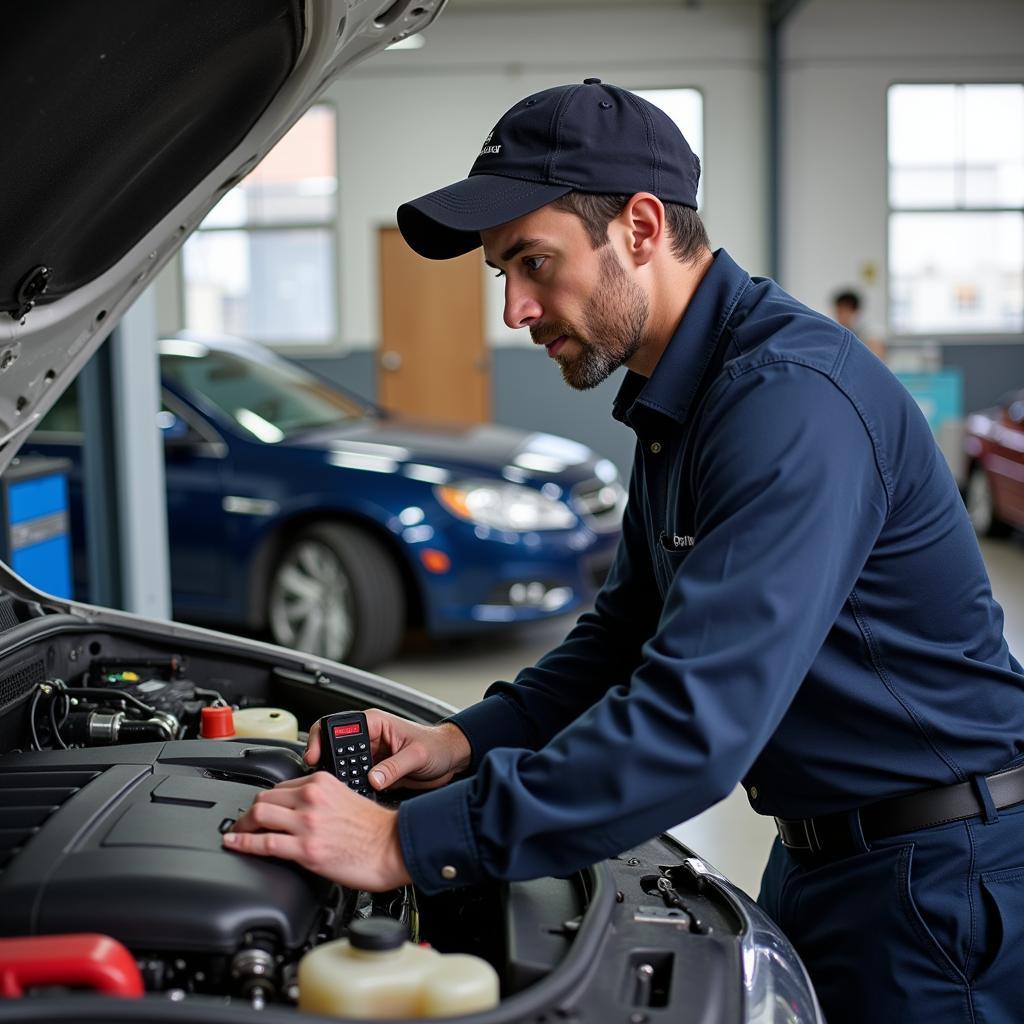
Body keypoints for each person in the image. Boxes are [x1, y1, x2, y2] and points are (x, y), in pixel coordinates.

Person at [223, 80, 1024, 1023]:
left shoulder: (788, 402)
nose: (515, 309)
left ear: (641, 227)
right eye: (501, 274)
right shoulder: (686, 398)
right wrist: (462, 742)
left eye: (534, 261)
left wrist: (408, 844)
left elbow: (693, 725)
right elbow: (621, 639)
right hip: (828, 855)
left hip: (936, 886)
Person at [831, 287, 887, 361]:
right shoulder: (841, 331)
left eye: (841, 312)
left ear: (854, 311)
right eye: (837, 312)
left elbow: (878, 357)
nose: (838, 316)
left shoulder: (871, 331)